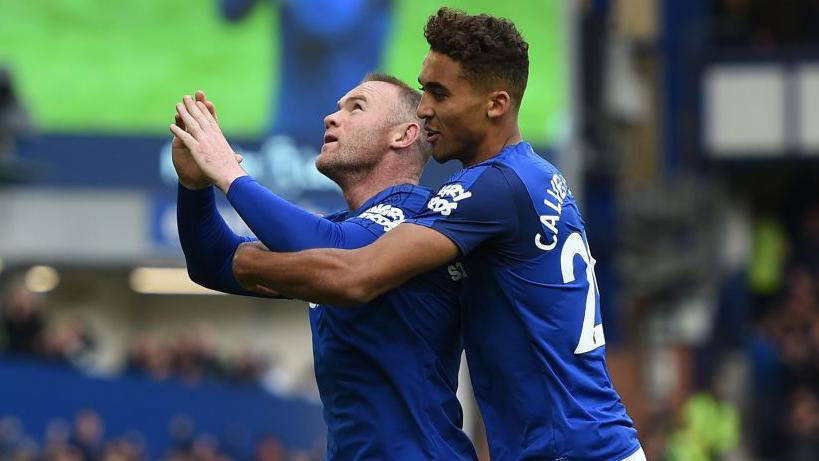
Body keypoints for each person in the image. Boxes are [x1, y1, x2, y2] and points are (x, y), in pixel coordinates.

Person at [228, 8, 644, 461]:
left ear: (496, 104)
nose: (424, 107)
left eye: (440, 94)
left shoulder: (491, 187)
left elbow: (356, 277)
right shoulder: (536, 176)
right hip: (592, 443)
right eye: (425, 88)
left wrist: (249, 261)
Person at [170, 75, 477, 460]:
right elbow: (211, 263)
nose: (331, 118)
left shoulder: (419, 217)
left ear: (404, 135)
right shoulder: (344, 229)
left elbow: (337, 253)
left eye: (356, 107)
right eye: (337, 107)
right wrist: (194, 186)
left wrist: (230, 175)